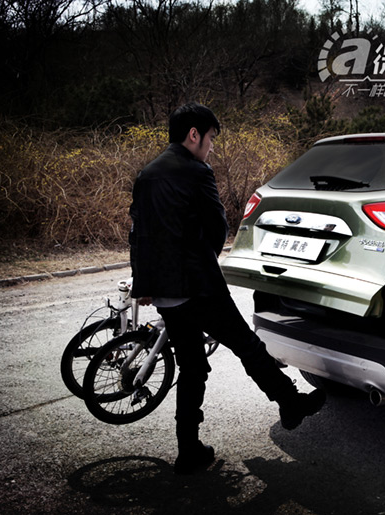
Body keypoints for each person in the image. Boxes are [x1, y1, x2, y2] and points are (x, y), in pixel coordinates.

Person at [129, 103, 325, 475]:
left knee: (191, 367)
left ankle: (189, 450)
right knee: (246, 344)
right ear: (194, 135)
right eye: (210, 138)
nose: (211, 146)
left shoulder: (147, 174)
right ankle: (290, 402)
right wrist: (206, 259)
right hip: (199, 286)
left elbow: (137, 234)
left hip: (166, 293)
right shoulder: (196, 171)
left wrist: (145, 283)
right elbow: (217, 226)